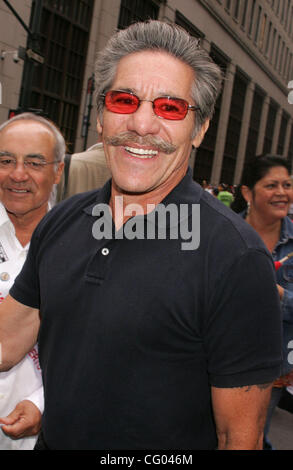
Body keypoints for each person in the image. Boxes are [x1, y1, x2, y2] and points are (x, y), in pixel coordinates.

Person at [0, 20, 282, 450]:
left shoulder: (235, 258)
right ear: (101, 116)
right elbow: (6, 342)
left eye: (170, 107)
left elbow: (237, 438)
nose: (142, 123)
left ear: (200, 129)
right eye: (124, 100)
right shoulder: (62, 221)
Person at [0, 112, 64, 449]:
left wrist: (43, 403)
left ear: (58, 171)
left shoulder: (82, 247)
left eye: (34, 163)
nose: (17, 174)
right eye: (6, 160)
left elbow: (89, 347)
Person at [232, 154, 293, 449]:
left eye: (287, 184)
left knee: (253, 438)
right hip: (217, 357)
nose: (282, 192)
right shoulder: (223, 234)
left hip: (273, 368)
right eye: (271, 185)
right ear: (247, 192)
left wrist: (281, 297)